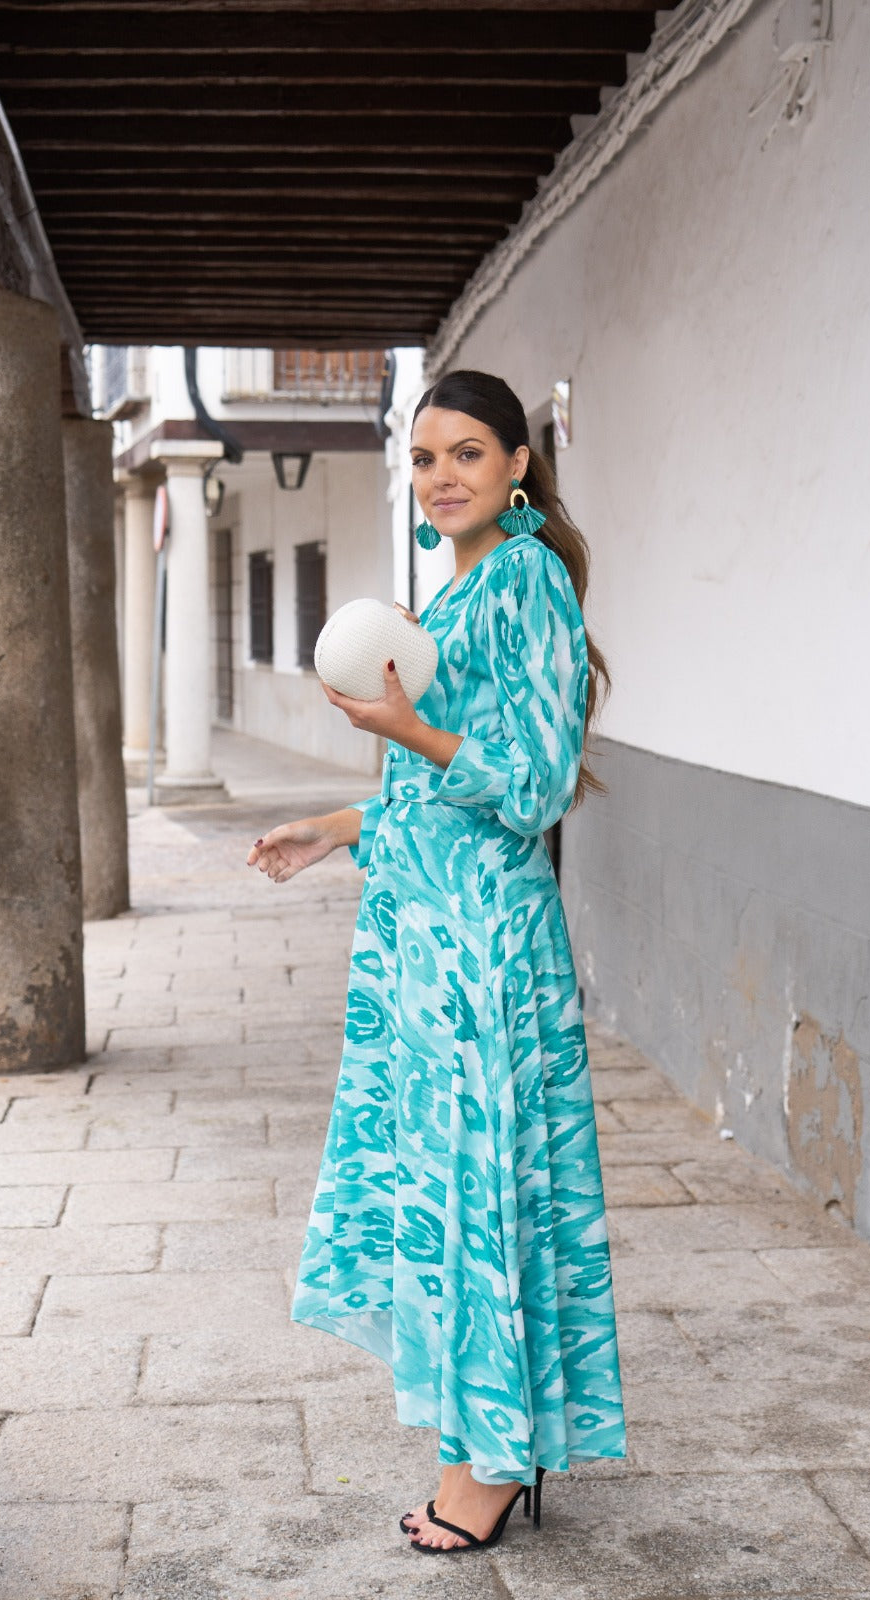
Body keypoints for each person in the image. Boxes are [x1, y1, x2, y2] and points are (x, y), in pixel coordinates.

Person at [246, 369, 625, 1554]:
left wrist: (404, 726)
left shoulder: (526, 577)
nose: (442, 475)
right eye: (423, 457)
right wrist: (331, 826)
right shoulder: (458, 590)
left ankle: (492, 1464)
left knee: (477, 1191)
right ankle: (485, 1436)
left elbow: (537, 787)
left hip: (481, 947)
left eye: (467, 452)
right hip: (424, 939)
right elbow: (433, 792)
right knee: (453, 1191)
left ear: (518, 465)